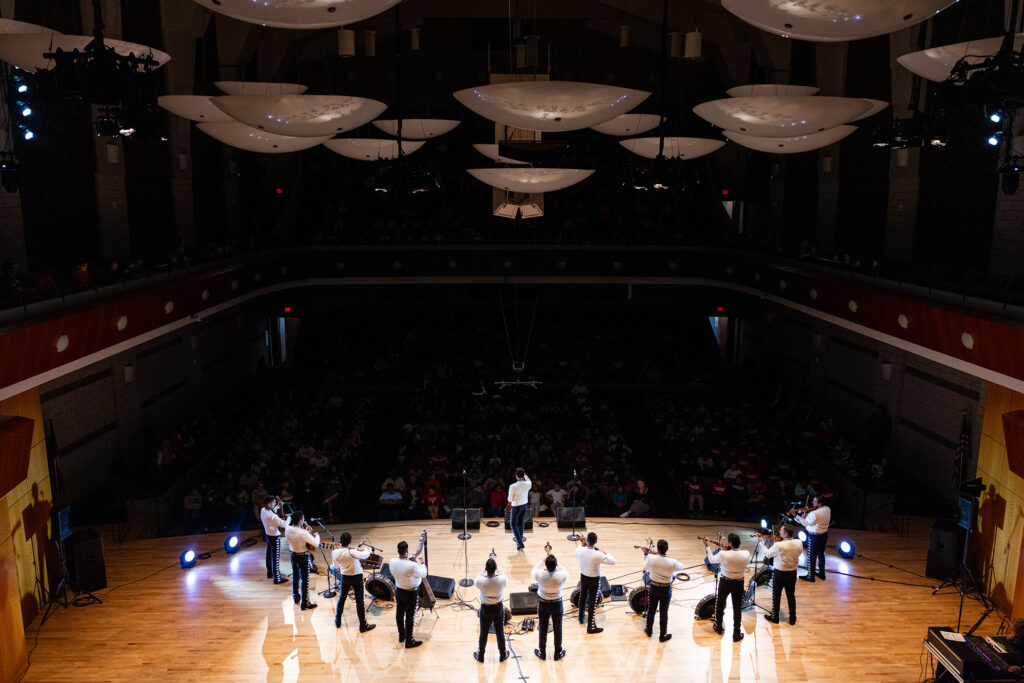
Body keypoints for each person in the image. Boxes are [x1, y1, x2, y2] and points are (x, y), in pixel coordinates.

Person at [704, 533, 750, 642]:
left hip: (725, 582)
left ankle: (719, 628)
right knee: (737, 609)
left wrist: (707, 546)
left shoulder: (723, 554)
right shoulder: (746, 554)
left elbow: (711, 560)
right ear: (739, 543)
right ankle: (736, 634)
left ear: (730, 543)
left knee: (720, 605)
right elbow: (737, 553)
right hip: (739, 583)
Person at [331, 532, 376, 633]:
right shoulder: (353, 551)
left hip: (345, 577)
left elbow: (336, 567)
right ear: (350, 541)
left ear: (340, 541)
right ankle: (363, 625)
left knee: (342, 598)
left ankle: (337, 621)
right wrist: (366, 549)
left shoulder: (334, 553)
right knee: (360, 601)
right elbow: (366, 555)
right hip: (356, 577)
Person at [641, 539, 685, 642]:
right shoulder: (672, 562)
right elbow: (681, 567)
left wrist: (646, 555)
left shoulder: (651, 558)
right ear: (667, 549)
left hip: (654, 587)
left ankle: (649, 630)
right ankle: (662, 635)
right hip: (665, 589)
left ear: (657, 549)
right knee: (664, 612)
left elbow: (644, 567)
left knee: (651, 610)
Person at [757, 525, 802, 625]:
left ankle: (775, 617)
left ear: (785, 534)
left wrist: (761, 542)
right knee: (791, 596)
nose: (779, 532)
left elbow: (768, 554)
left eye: (781, 531)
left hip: (780, 573)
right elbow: (798, 553)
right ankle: (792, 618)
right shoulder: (799, 542)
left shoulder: (779, 545)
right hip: (792, 573)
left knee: (776, 595)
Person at [532, 543, 568, 661]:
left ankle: (542, 653)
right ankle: (558, 653)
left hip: (543, 604)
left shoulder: (540, 575)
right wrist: (557, 563)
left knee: (542, 628)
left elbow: (534, 570)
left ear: (546, 565)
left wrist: (543, 560)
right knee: (558, 629)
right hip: (557, 604)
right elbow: (565, 571)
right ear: (555, 565)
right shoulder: (562, 575)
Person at [576, 532, 616, 634]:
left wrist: (583, 544)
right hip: (594, 580)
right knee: (592, 603)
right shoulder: (598, 554)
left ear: (587, 540)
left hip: (583, 577)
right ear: (596, 541)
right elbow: (613, 561)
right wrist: (605, 553)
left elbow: (582, 549)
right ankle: (591, 627)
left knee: (582, 597)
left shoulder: (580, 550)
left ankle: (581, 618)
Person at [389, 540, 426, 649]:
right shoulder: (412, 566)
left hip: (399, 590)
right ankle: (409, 641)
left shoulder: (392, 561)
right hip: (410, 593)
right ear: (407, 551)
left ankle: (402, 635)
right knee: (410, 616)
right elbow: (423, 574)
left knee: (399, 613)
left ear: (398, 551)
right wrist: (423, 563)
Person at [473, 556, 509, 663]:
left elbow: (477, 578)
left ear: (485, 569)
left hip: (485, 608)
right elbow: (505, 578)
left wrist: (485, 568)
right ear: (495, 568)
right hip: (498, 608)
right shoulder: (501, 579)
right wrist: (496, 566)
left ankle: (481, 656)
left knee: (483, 633)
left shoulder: (480, 580)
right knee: (500, 632)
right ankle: (502, 655)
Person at [284, 510, 319, 610]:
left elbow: (298, 534)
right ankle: (305, 603)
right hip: (303, 557)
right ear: (299, 521)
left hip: (293, 555)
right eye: (303, 519)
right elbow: (315, 544)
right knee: (305, 580)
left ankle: (296, 597)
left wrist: (306, 532)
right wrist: (316, 536)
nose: (304, 520)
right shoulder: (302, 532)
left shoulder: (288, 528)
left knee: (295, 577)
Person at [791, 496, 831, 582]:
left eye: (815, 501)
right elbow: (812, 520)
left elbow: (805, 523)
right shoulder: (827, 509)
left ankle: (810, 577)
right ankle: (822, 574)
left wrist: (796, 516)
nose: (812, 502)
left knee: (811, 557)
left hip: (814, 537)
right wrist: (806, 516)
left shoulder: (814, 514)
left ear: (820, 503)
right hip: (824, 535)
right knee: (821, 555)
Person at [260, 495, 290, 584]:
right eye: (274, 502)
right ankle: (277, 578)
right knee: (275, 557)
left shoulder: (263, 510)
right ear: (269, 504)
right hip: (274, 537)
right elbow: (284, 524)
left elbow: (272, 510)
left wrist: (278, 506)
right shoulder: (273, 516)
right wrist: (289, 517)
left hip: (268, 535)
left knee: (269, 555)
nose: (275, 503)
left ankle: (270, 573)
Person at [507, 468, 531, 551]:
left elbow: (510, 499)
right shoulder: (528, 484)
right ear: (523, 475)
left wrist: (508, 507)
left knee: (513, 524)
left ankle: (520, 543)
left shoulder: (513, 486)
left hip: (516, 506)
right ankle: (519, 540)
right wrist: (525, 474)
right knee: (521, 523)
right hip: (524, 506)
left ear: (516, 476)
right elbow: (528, 480)